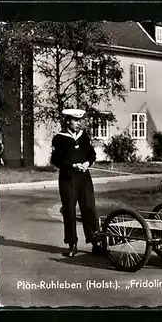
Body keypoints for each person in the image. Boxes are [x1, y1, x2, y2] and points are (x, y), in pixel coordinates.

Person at [50, 109, 104, 257]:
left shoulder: (84, 136)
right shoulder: (59, 138)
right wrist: (73, 165)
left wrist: (87, 163)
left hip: (84, 178)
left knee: (89, 208)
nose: (79, 123)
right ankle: (72, 245)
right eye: (76, 120)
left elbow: (92, 154)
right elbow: (56, 160)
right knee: (69, 211)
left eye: (80, 120)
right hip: (68, 179)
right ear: (68, 121)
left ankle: (95, 242)